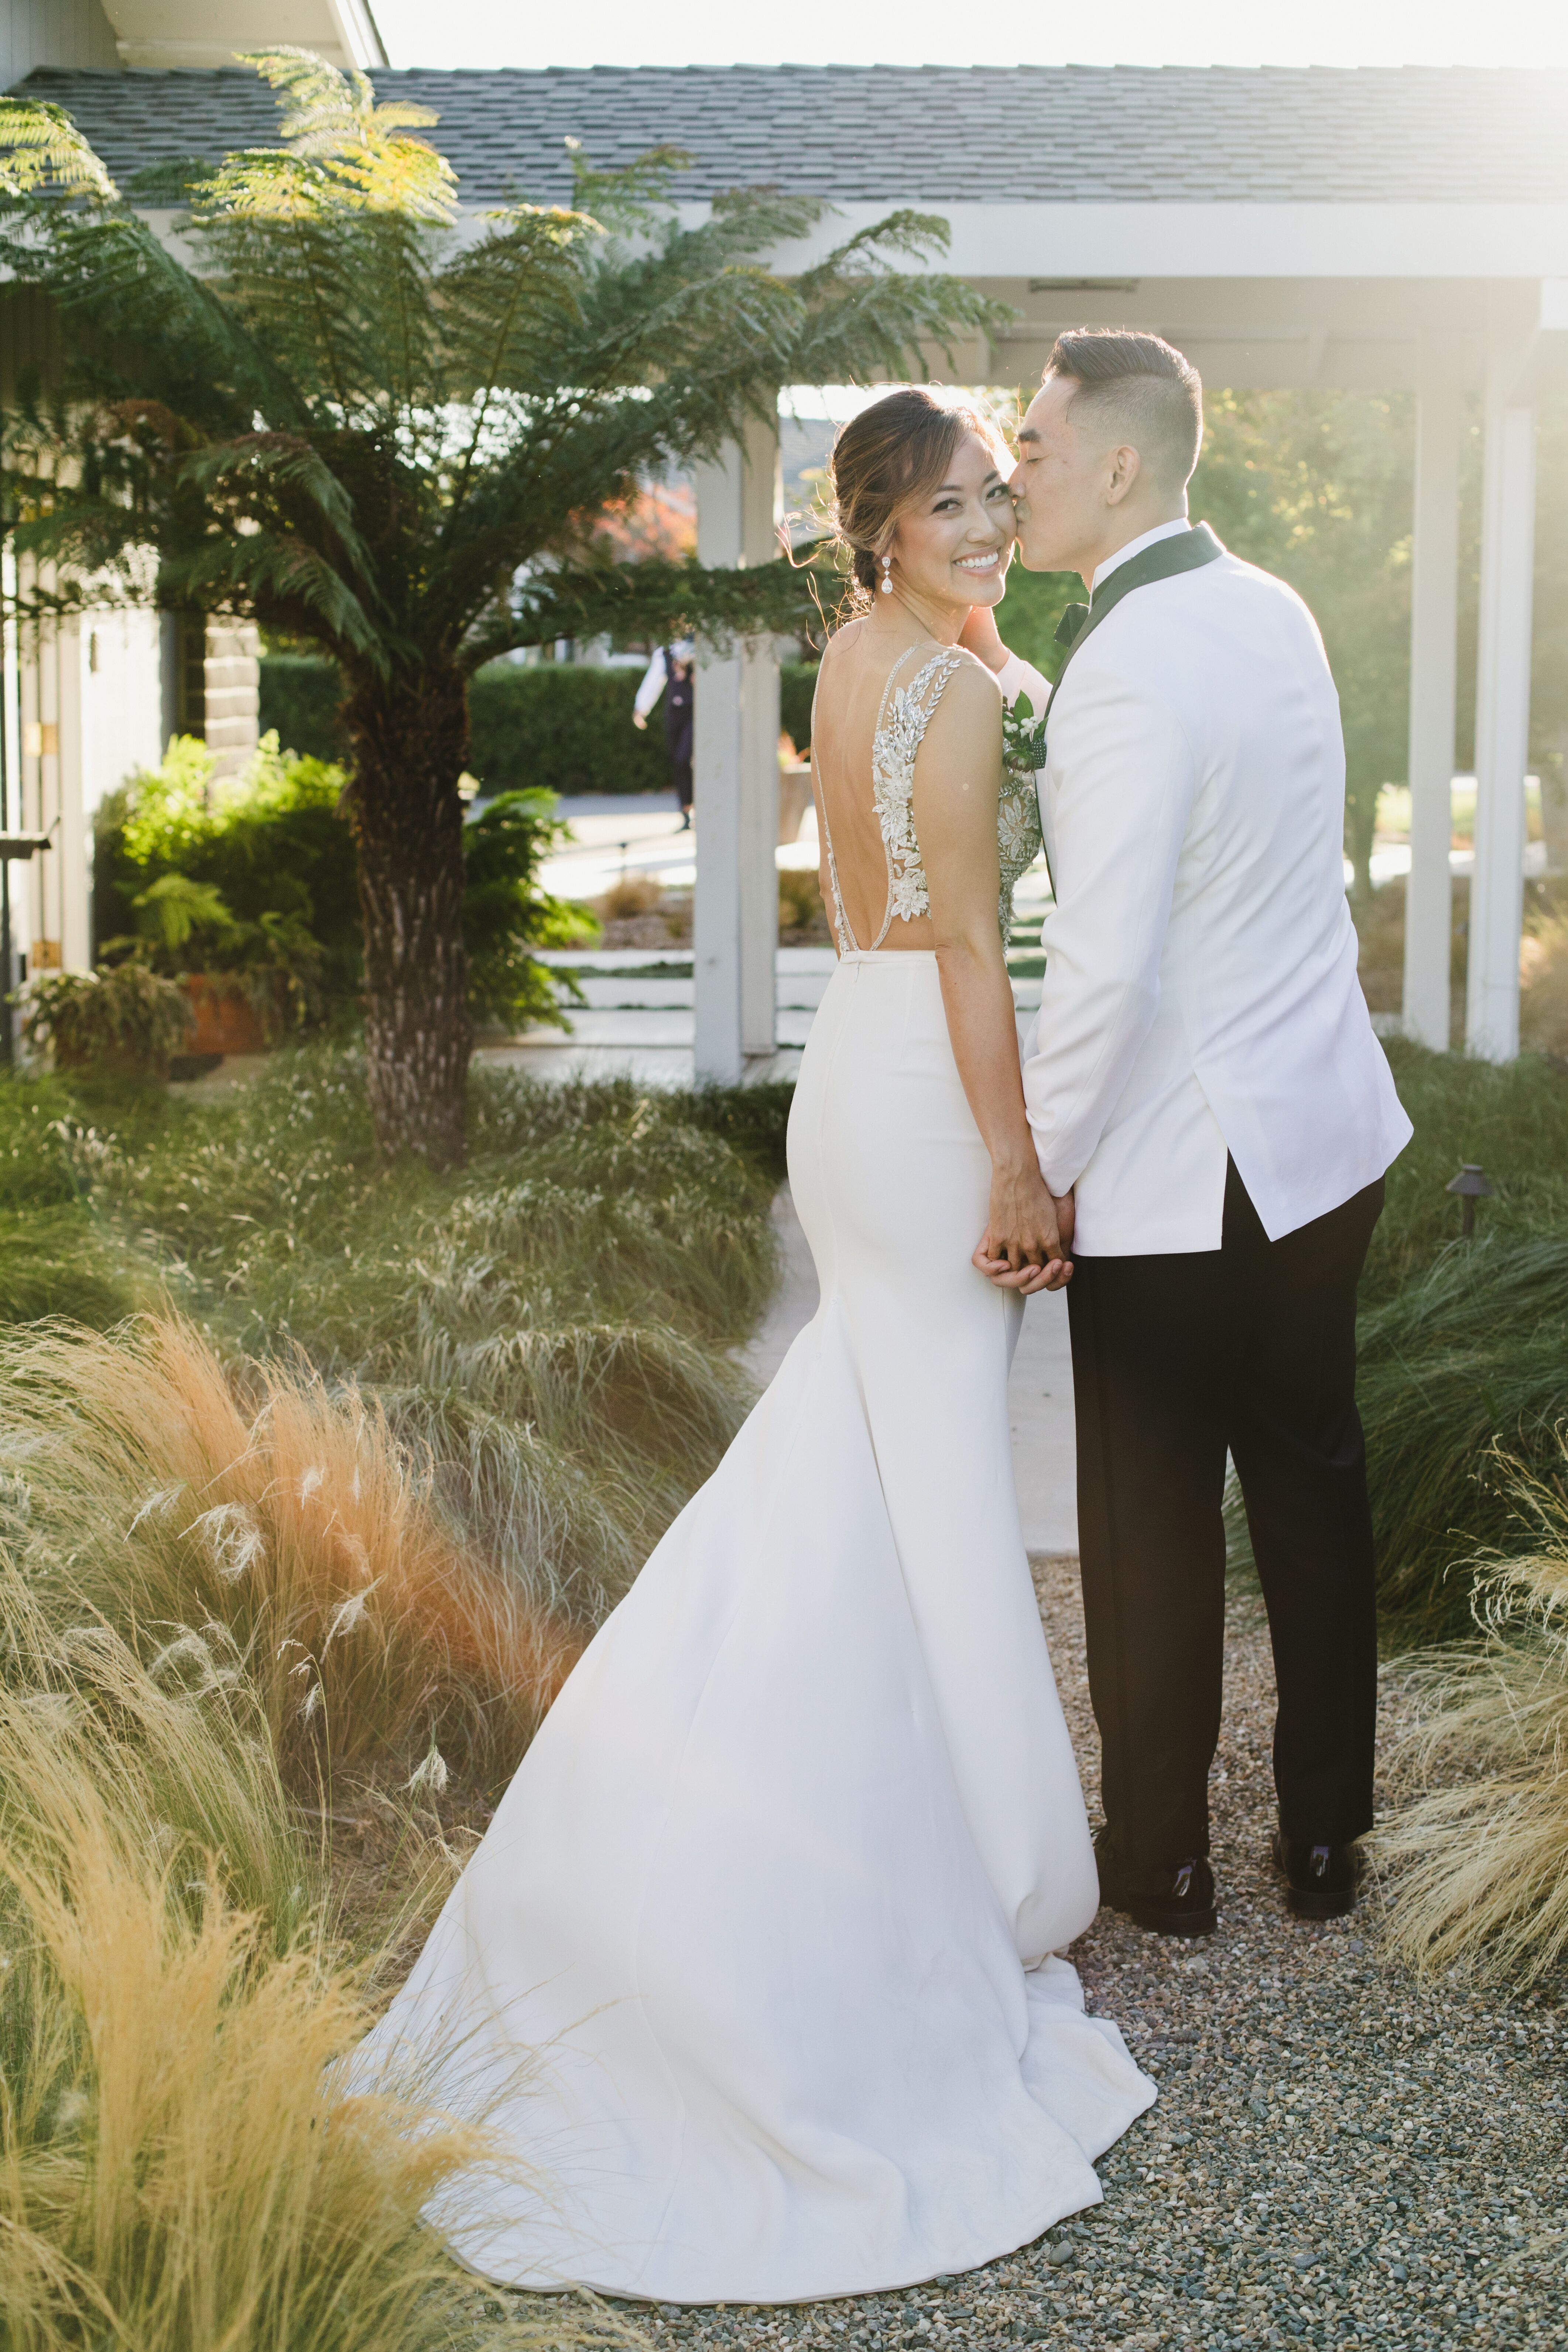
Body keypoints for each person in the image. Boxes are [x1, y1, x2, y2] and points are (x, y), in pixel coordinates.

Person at [350, 387, 1153, 2303]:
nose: (982, 526)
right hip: (931, 1092)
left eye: (993, 499)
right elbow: (969, 946)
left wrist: (974, 628)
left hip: (844, 1085)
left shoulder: (861, 662)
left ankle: (809, 1819)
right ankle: (996, 1879)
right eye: (951, 505)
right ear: (877, 522)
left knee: (851, 1476)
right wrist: (1024, 1163)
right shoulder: (953, 695)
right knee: (940, 1495)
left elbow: (885, 895)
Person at [993, 329, 1412, 1939]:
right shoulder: (1275, 609)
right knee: (1310, 1479)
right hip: (1321, 1135)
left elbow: (1102, 965)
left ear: (1117, 464)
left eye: (1032, 445)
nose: (1014, 469)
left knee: (1148, 1508)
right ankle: (1323, 1843)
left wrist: (1034, 1157)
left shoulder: (1126, 663)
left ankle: (1161, 1854)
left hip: (1178, 1167)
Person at [632, 637, 695, 827]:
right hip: (675, 714)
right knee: (678, 761)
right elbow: (654, 681)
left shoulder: (698, 648)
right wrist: (641, 708)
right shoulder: (665, 652)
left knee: (685, 758)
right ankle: (686, 810)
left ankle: (697, 805)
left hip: (695, 712)